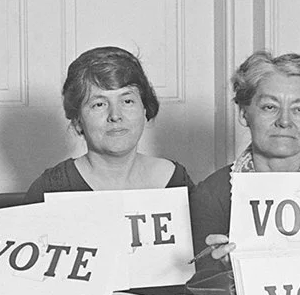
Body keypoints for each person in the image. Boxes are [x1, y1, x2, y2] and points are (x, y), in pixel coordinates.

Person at [190, 51, 300, 256]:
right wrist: (216, 267)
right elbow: (195, 273)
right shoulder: (210, 196)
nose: (284, 121)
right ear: (244, 114)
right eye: (269, 107)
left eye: (299, 109)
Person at [24, 46, 195, 203]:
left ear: (144, 110)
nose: (115, 116)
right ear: (77, 121)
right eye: (99, 104)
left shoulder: (176, 180)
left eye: (127, 101)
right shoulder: (49, 189)